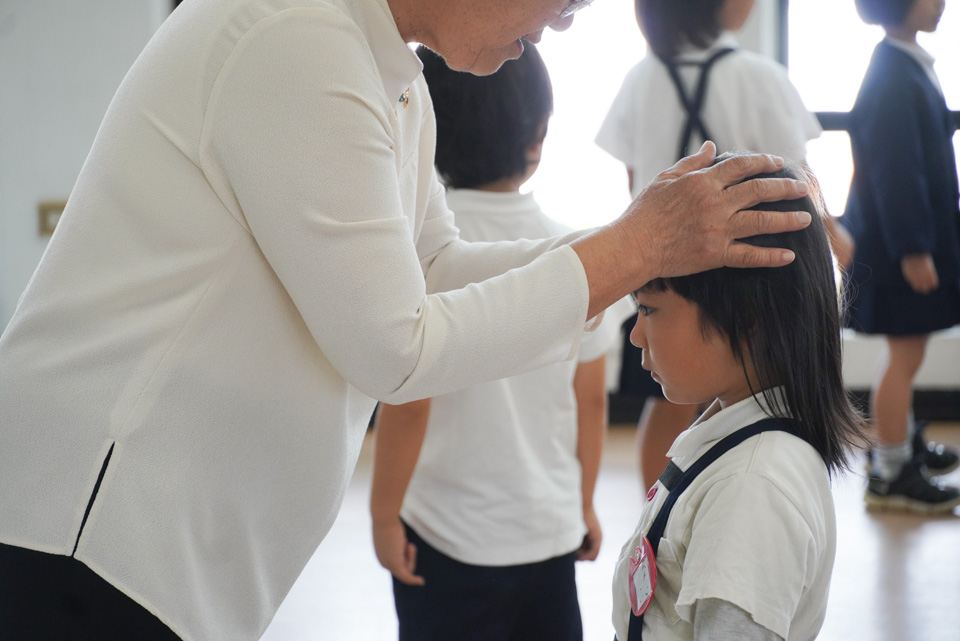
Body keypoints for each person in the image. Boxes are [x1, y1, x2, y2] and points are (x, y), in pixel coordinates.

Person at [0, 0, 813, 638]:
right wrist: (634, 248)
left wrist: (637, 246)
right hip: (93, 537)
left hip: (174, 551)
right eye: (562, 2)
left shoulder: (394, 78)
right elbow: (398, 346)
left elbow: (432, 271)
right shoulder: (297, 37)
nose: (556, 26)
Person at [370, 42, 633, 641]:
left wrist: (385, 513)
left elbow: (408, 400)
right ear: (538, 137)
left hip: (443, 534)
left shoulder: (415, 255)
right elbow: (591, 401)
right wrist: (583, 503)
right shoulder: (572, 256)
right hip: (547, 533)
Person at [611, 160, 867, 641]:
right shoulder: (733, 438)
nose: (638, 335)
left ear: (747, 317)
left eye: (649, 308)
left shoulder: (753, 487)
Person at [595, 0, 823, 491]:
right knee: (746, 394)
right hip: (748, 272)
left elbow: (635, 186)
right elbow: (798, 188)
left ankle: (656, 515)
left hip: (661, 270)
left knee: (661, 400)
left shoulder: (641, 76)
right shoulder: (760, 75)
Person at [842, 0, 960, 512]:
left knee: (904, 355)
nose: (940, 5)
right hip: (897, 247)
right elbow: (896, 173)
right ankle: (891, 472)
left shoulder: (901, 62)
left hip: (899, 241)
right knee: (905, 356)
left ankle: (899, 444)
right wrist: (914, 248)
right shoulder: (892, 75)